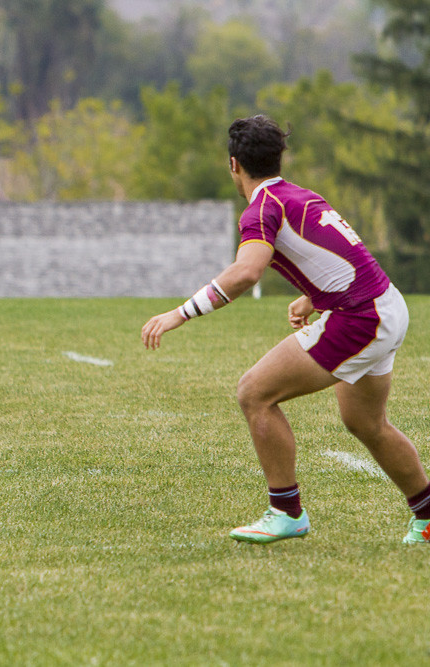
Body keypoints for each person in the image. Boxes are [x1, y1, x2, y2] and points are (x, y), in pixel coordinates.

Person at [141, 114, 430, 544]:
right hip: (384, 306)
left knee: (255, 392)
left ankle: (286, 511)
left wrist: (179, 314)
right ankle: (428, 515)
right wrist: (314, 297)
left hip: (361, 318)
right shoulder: (299, 195)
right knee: (366, 422)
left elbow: (246, 273)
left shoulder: (261, 209)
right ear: (278, 158)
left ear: (234, 164)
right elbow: (343, 253)